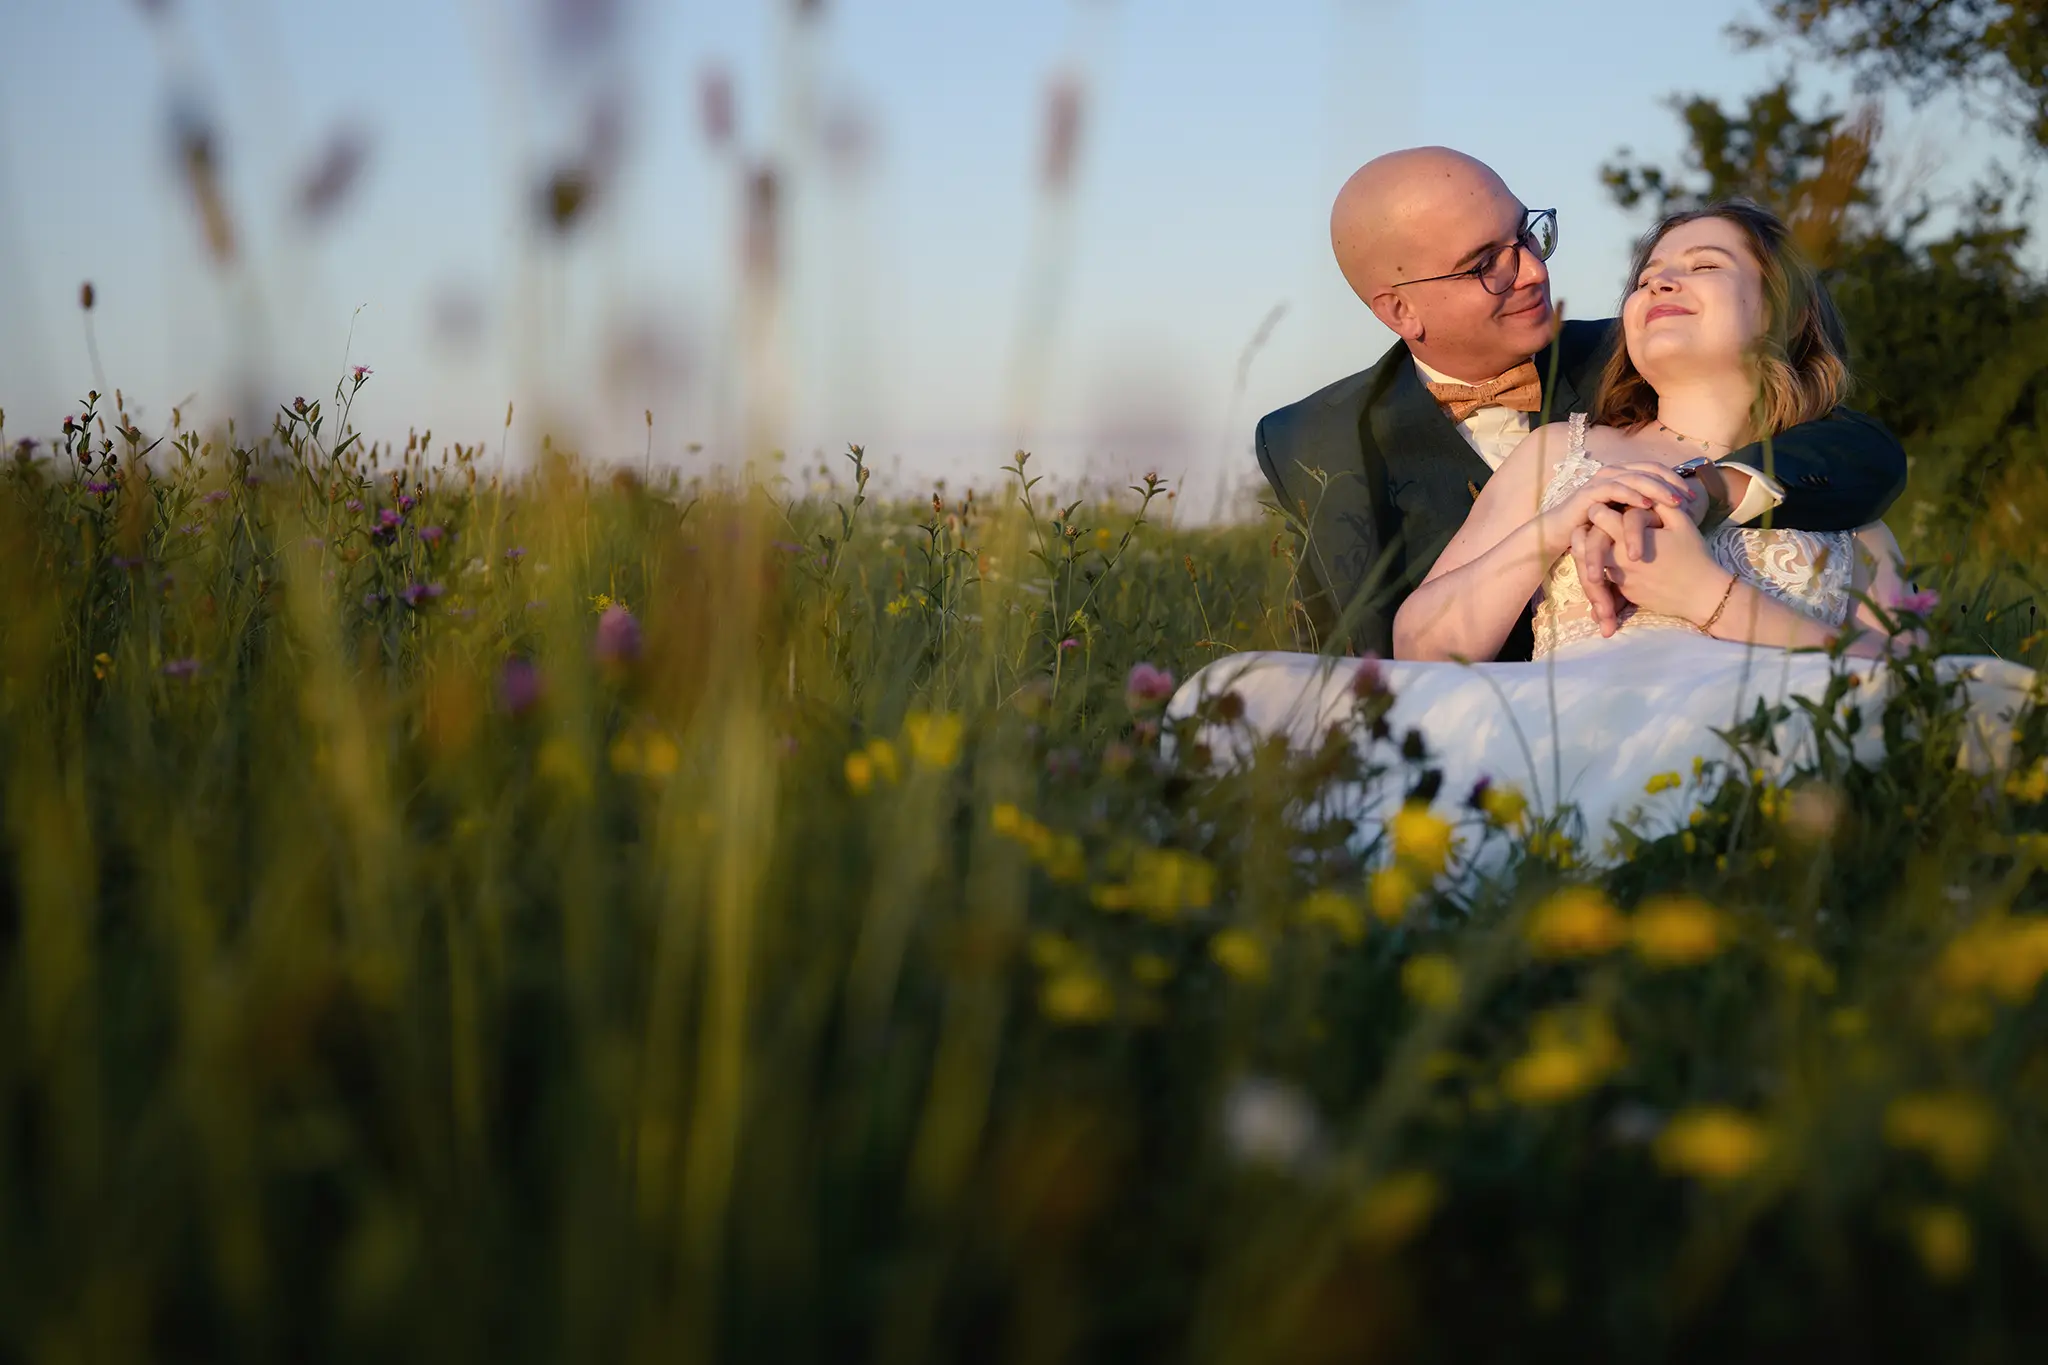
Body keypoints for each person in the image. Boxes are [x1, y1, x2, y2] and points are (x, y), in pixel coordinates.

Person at [1171, 199, 2035, 852]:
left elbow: (1902, 684)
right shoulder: (1559, 454)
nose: (1660, 280)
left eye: (1702, 267)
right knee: (1237, 695)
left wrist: (1708, 596)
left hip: (1752, 729)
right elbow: (1420, 647)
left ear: (1784, 311)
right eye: (1648, 271)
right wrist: (1552, 527)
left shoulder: (1850, 510)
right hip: (1563, 720)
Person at [1259, 146, 1906, 659]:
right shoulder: (1317, 441)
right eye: (1488, 263)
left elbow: (1850, 442)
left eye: (1528, 235)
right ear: (1400, 309)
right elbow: (1355, 652)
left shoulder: (1641, 348)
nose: (1536, 272)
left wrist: (1715, 487)